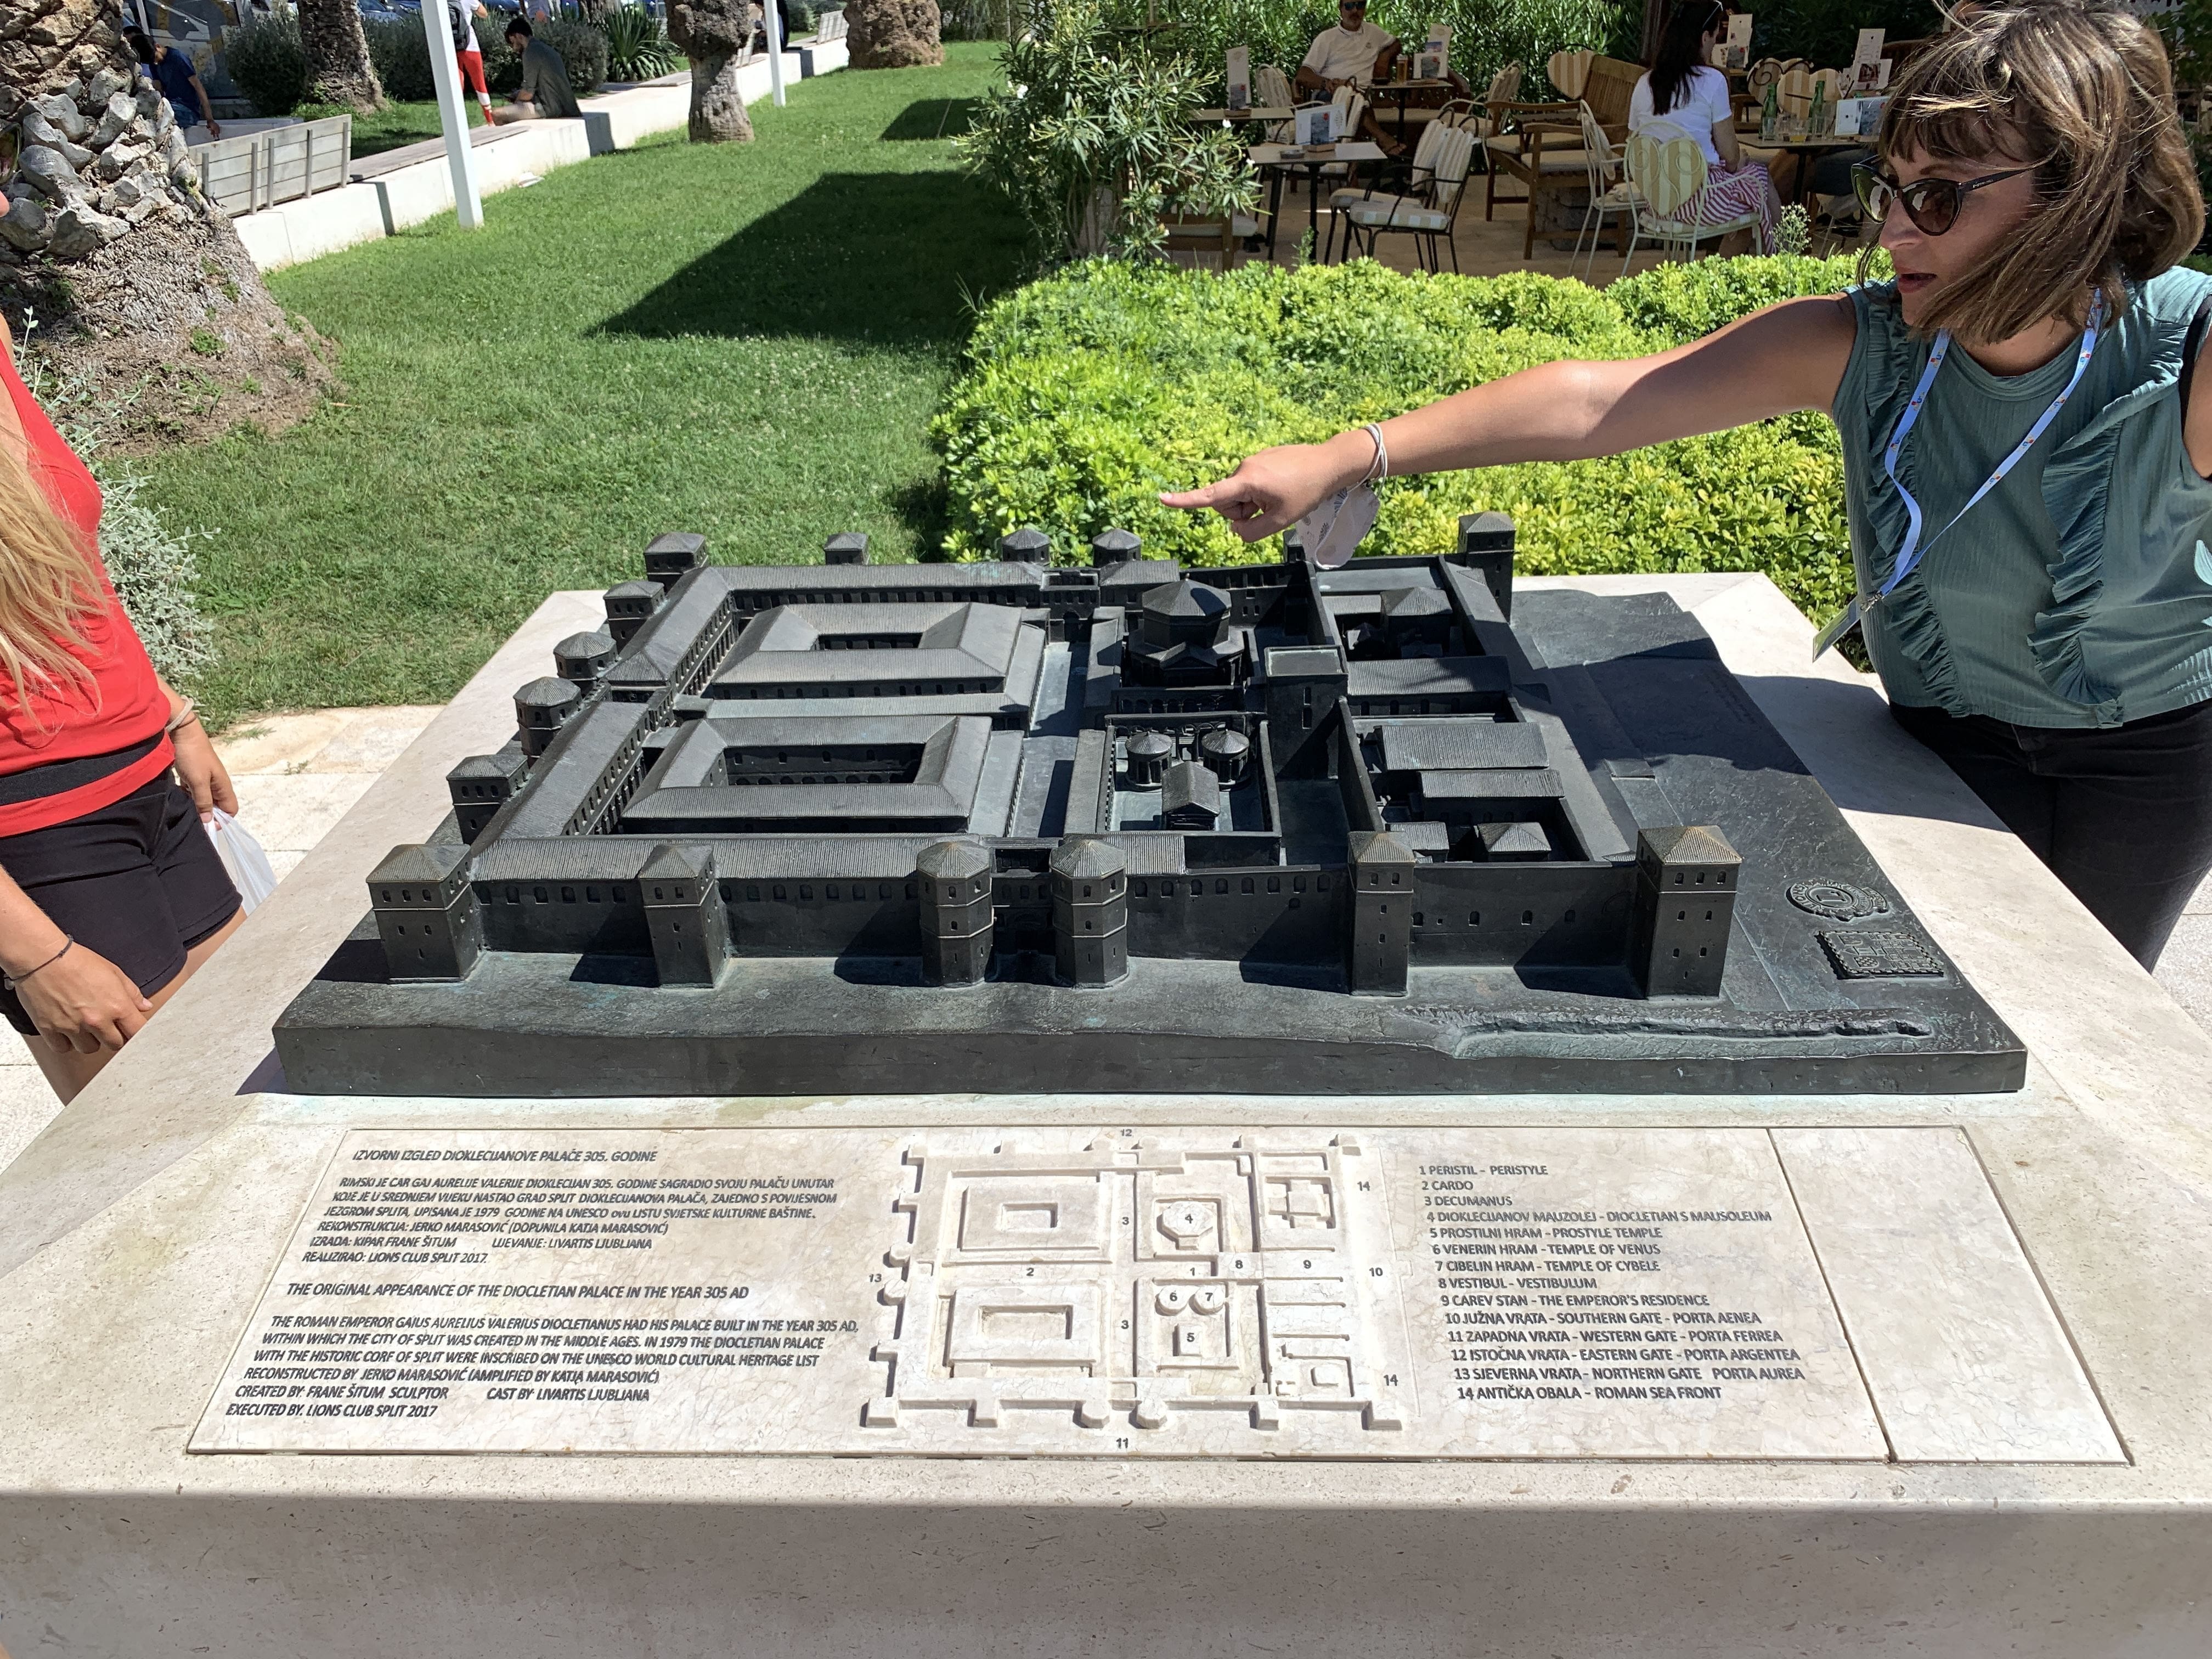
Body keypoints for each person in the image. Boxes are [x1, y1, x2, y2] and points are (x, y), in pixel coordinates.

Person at [1164, 1, 2212, 972]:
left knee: (2080, 995)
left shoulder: (2187, 350)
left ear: (2076, 196)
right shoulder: (1869, 340)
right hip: (1938, 729)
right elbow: (1599, 402)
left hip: (2149, 761)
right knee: (1948, 984)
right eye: (1887, 187)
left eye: (1936, 197)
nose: (1891, 230)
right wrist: (1344, 454)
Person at [0, 317, 241, 1103]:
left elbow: (66, 565)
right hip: (44, 835)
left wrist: (171, 710)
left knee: (252, 1076)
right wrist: (34, 954)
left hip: (146, 785)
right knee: (159, 1139)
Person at [1628, 0, 1780, 250]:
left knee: (1750, 195)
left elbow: (1636, 143)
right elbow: (1730, 157)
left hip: (1658, 200)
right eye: (1715, 36)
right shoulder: (1712, 81)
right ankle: (1778, 257)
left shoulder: (1645, 82)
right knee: (1759, 181)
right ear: (1704, 37)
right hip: (1699, 201)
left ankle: (1720, 274)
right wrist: (1740, 161)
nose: (1715, 43)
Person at [1296, 0, 1406, 154]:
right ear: (1340, 10)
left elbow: (1396, 44)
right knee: (1351, 99)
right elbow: (1303, 74)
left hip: (1362, 93)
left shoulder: (1373, 32)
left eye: (1360, 5)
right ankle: (1383, 138)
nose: (1355, 11)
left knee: (1356, 100)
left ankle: (1352, 175)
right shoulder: (1327, 38)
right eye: (1349, 6)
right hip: (1330, 96)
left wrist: (1385, 56)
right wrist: (1325, 83)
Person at [123, 27, 219, 140]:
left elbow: (198, 87)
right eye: (152, 62)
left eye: (156, 58)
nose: (155, 63)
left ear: (157, 47)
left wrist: (210, 119)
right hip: (169, 105)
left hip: (187, 110)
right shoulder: (153, 63)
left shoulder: (178, 58)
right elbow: (159, 89)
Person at [491, 16, 581, 123]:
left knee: (496, 114)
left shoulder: (530, 52)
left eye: (513, 42)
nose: (514, 49)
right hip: (565, 106)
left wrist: (517, 100)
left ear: (519, 36)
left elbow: (528, 94)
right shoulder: (544, 48)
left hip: (550, 109)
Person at [450, 0, 495, 125]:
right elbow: (484, 14)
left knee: (457, 83)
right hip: (469, 44)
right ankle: (490, 119)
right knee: (479, 82)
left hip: (450, 44)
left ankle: (457, 122)